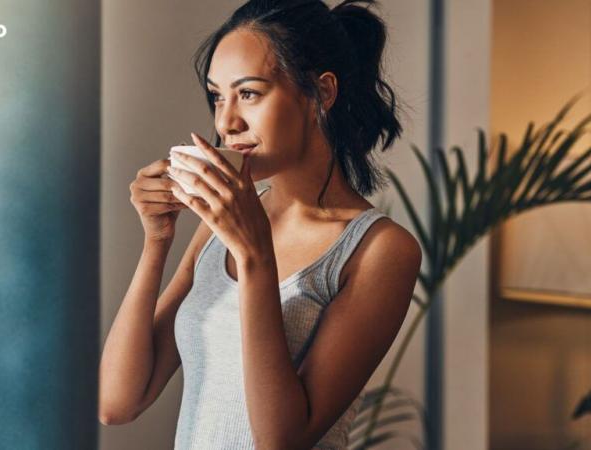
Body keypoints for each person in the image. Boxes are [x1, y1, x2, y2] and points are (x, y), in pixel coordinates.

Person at [98, 0, 422, 448]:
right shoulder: (218, 224)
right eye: (217, 96)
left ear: (322, 93)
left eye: (248, 93)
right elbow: (118, 403)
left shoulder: (380, 250)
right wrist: (157, 240)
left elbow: (280, 440)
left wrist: (254, 257)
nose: (226, 122)